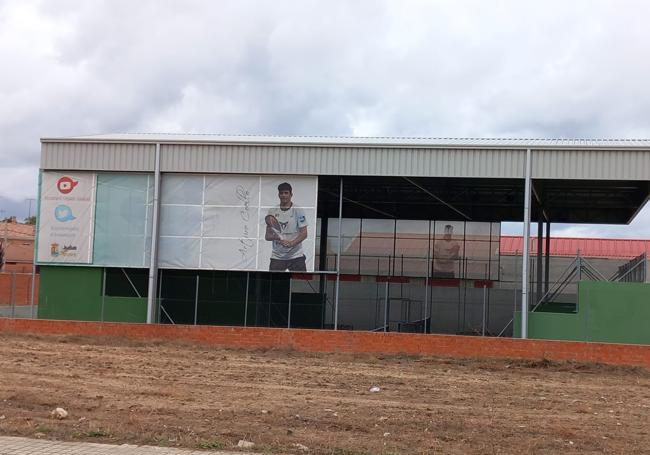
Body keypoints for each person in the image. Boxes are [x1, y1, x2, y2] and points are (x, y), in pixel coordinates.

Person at [265, 182, 308, 271]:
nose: (284, 195)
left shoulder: (298, 210)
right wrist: (279, 240)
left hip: (296, 256)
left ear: (291, 194)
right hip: (277, 256)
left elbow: (304, 233)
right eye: (281, 193)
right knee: (272, 284)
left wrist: (291, 243)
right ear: (278, 195)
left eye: (286, 193)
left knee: (301, 283)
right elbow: (267, 236)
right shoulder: (272, 211)